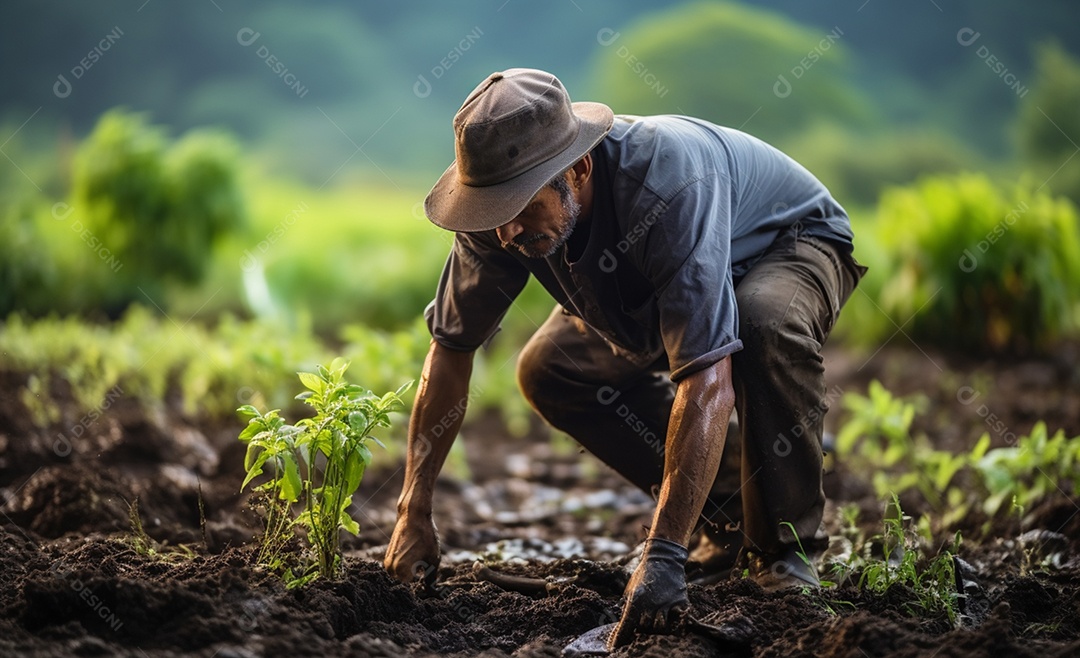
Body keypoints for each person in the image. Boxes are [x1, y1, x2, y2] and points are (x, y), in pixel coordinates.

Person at [384, 68, 866, 648]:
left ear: (579, 169)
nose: (507, 232)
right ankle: (732, 514)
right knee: (553, 370)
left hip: (785, 243)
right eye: (493, 212)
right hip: (653, 282)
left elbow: (706, 377)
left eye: (523, 207)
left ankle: (786, 550)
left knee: (763, 325)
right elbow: (451, 349)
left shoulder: (665, 183)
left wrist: (663, 554)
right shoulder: (496, 216)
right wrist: (413, 510)